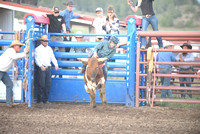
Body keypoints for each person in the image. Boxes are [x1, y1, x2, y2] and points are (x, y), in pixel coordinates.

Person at [0, 40, 28, 107]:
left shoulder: (11, 51)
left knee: (9, 84)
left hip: (2, 70)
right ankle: (8, 102)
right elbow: (14, 57)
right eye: (20, 46)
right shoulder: (11, 51)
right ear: (15, 46)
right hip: (1, 70)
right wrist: (25, 53)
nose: (20, 48)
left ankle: (9, 102)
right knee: (9, 84)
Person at [35, 35, 59, 104]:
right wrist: (40, 66)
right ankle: (40, 100)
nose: (46, 42)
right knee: (42, 84)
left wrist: (56, 64)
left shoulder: (49, 48)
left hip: (47, 67)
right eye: (44, 41)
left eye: (47, 41)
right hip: (42, 67)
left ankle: (45, 99)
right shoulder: (38, 49)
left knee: (47, 84)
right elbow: (37, 59)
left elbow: (52, 57)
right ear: (41, 41)